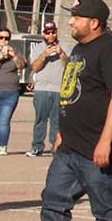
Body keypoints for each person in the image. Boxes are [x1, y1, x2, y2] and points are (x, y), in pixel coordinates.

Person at [13, 0, 112, 221]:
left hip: (97, 149)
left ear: (94, 23)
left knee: (106, 211)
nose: (71, 21)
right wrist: (60, 132)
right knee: (53, 203)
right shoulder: (80, 50)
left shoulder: (110, 51)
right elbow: (71, 91)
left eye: (77, 18)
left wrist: (105, 142)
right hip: (69, 148)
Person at [26, 22, 66, 157]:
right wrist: (44, 55)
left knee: (57, 121)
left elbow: (70, 65)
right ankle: (37, 147)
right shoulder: (38, 48)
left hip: (59, 89)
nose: (50, 35)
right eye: (47, 33)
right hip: (42, 89)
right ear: (43, 33)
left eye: (53, 32)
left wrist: (61, 54)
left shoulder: (65, 46)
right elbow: (35, 67)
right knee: (40, 119)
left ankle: (56, 148)